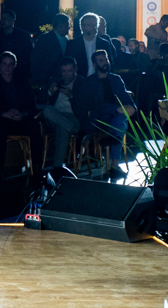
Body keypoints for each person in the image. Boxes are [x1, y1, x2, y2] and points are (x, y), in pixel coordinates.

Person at [0, 51, 45, 180]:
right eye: (4, 64)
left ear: (15, 65)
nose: (7, 67)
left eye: (10, 64)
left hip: (21, 119)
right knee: (0, 129)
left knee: (35, 127)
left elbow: (32, 107)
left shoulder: (22, 84)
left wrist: (23, 114)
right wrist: (3, 114)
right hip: (2, 119)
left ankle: (37, 167)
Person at [73, 50, 136, 181]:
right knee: (120, 122)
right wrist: (117, 108)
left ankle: (114, 140)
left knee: (120, 120)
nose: (105, 62)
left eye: (106, 59)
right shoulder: (89, 82)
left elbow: (125, 97)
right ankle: (114, 165)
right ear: (94, 64)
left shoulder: (116, 79)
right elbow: (94, 106)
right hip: (99, 118)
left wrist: (132, 107)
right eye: (101, 61)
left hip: (117, 116)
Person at [42, 57, 82, 168]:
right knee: (47, 109)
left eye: (70, 71)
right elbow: (40, 100)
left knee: (61, 128)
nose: (66, 74)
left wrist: (72, 95)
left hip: (73, 117)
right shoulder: (56, 81)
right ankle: (73, 129)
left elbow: (86, 104)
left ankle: (57, 167)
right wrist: (50, 91)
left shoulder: (81, 82)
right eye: (64, 71)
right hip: (56, 116)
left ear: (75, 70)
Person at [0, 9, 32, 82]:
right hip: (3, 74)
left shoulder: (23, 36)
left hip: (20, 74)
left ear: (12, 21)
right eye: (2, 19)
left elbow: (28, 55)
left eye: (5, 19)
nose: (2, 21)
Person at [66, 12, 114, 78]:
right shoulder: (73, 44)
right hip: (80, 80)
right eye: (90, 25)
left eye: (95, 24)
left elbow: (110, 64)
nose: (94, 27)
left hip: (100, 80)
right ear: (82, 26)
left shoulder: (104, 43)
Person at [31, 13, 71, 87]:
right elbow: (36, 60)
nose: (69, 27)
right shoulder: (44, 39)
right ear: (60, 26)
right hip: (47, 80)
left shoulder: (67, 40)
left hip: (62, 80)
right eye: (67, 25)